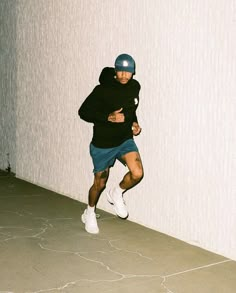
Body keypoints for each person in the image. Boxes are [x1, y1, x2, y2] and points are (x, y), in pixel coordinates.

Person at [78, 53, 144, 234]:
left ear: (133, 72)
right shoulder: (102, 89)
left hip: (124, 140)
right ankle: (89, 212)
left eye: (128, 71)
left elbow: (131, 109)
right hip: (103, 143)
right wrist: (108, 117)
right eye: (120, 71)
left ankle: (117, 192)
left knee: (137, 173)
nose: (124, 75)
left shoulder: (135, 87)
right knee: (99, 183)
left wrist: (134, 123)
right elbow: (83, 112)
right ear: (115, 71)